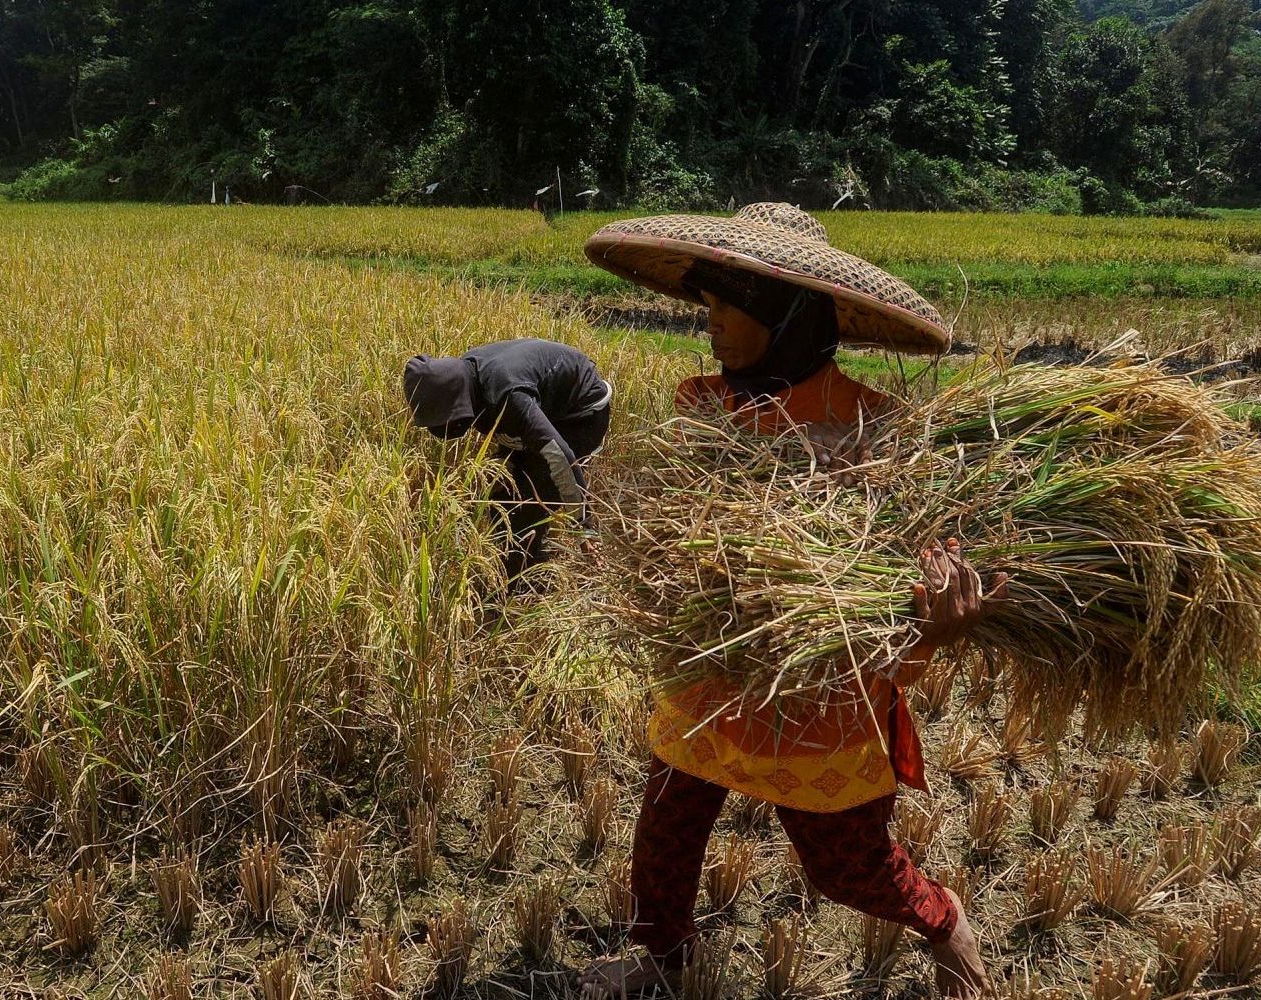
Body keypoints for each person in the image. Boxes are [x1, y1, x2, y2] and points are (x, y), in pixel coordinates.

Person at [577, 204, 1007, 998]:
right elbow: (677, 546)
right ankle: (662, 954)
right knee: (666, 830)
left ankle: (945, 918)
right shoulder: (702, 407)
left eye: (729, 305)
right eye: (706, 305)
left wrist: (939, 630)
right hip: (711, 676)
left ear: (788, 314)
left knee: (848, 867)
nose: (712, 325)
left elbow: (900, 591)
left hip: (822, 691)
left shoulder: (876, 430)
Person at [402, 338, 611, 576]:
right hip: (543, 407)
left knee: (527, 505)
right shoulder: (469, 379)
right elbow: (508, 430)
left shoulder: (507, 395)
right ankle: (517, 562)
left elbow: (561, 455)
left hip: (580, 414)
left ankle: (525, 584)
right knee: (501, 496)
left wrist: (583, 528)